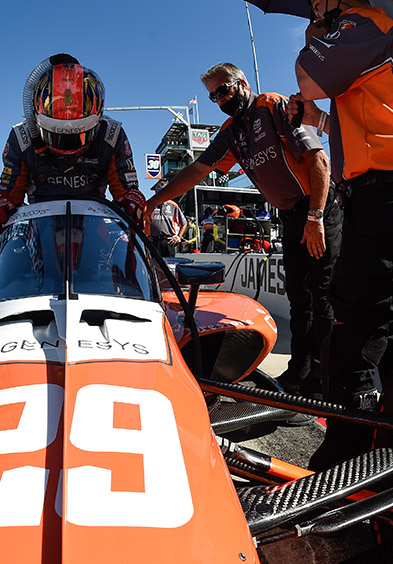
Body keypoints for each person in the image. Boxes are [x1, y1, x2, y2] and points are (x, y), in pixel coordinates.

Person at [291, 0, 393, 466]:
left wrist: (314, 37)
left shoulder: (360, 24)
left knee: (354, 330)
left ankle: (343, 464)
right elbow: (369, 121)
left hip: (390, 200)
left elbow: (310, 78)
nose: (312, 8)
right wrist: (318, 120)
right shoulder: (383, 33)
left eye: (317, 2)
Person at [146, 62, 341, 399]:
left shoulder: (273, 105)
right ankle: (300, 371)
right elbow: (196, 171)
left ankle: (326, 379)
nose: (220, 99)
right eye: (214, 96)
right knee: (299, 298)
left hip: (319, 209)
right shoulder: (230, 132)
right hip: (290, 216)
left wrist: (315, 217)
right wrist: (152, 202)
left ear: (243, 84)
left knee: (323, 296)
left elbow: (318, 160)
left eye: (224, 90)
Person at [0, 54, 145, 235]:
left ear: (97, 120)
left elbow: (126, 192)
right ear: (36, 122)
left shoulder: (111, 135)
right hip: (40, 232)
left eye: (78, 135)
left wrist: (133, 199)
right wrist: (2, 203)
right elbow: (9, 193)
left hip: (93, 229)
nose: (68, 147)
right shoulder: (22, 137)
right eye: (57, 135)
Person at [148, 180, 188, 258]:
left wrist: (178, 237)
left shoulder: (173, 205)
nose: (161, 191)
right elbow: (141, 221)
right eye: (159, 189)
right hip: (154, 241)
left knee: (170, 264)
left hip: (169, 242)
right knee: (154, 264)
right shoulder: (150, 205)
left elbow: (184, 223)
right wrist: (145, 236)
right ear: (155, 191)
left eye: (164, 189)